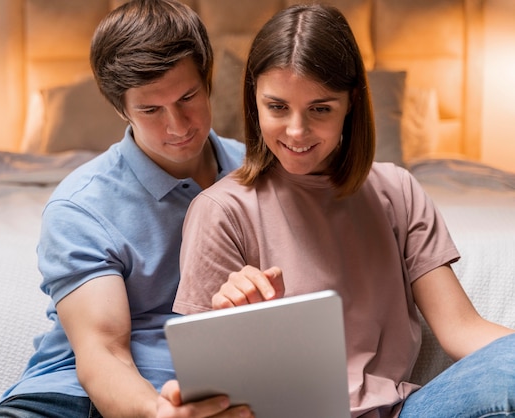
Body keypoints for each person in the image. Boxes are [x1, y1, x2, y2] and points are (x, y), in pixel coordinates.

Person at [173, 3, 515, 417]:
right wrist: (235, 322)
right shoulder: (220, 211)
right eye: (277, 107)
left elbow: (462, 329)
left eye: (320, 109)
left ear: (351, 103)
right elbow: (210, 398)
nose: (296, 132)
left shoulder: (398, 191)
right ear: (254, 100)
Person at [0, 1, 253, 417]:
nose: (177, 126)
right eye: (151, 110)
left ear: (208, 81)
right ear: (121, 109)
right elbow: (102, 352)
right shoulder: (81, 206)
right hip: (74, 398)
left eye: (187, 97)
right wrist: (159, 413)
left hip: (219, 396)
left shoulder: (259, 175)